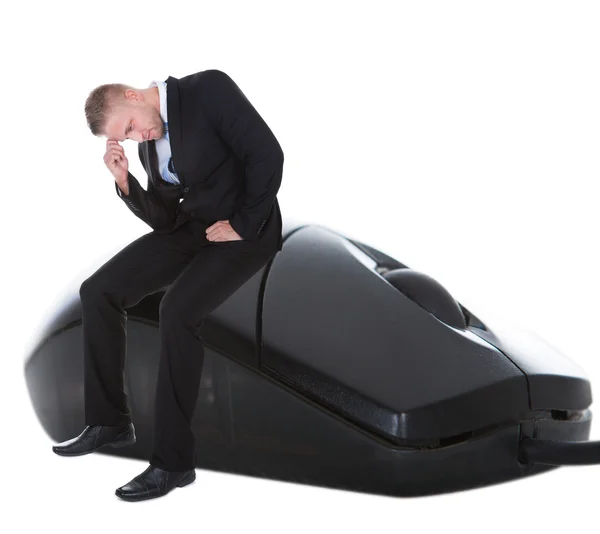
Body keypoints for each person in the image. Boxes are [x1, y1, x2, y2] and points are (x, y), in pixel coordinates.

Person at [51, 69, 284, 502]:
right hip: (190, 230)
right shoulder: (147, 150)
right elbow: (163, 220)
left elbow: (267, 155)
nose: (136, 137)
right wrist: (125, 182)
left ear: (131, 95)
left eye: (129, 127)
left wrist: (243, 223)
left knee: (177, 311)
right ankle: (109, 421)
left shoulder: (207, 90)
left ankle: (173, 464)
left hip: (244, 229)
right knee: (97, 291)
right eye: (127, 137)